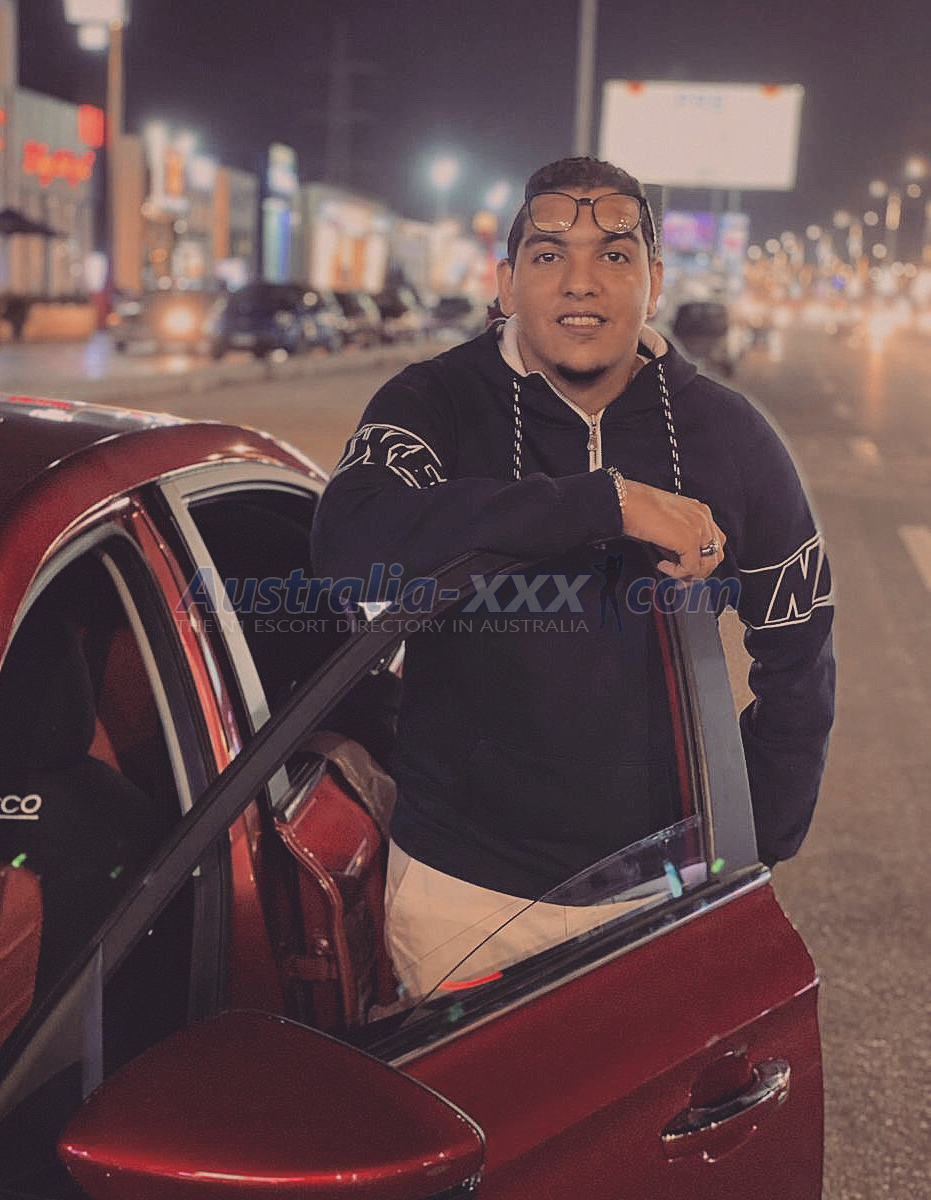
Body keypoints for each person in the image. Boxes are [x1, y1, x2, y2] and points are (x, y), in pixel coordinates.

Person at [312, 156, 835, 998]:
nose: (579, 282)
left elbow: (799, 646)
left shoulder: (728, 433)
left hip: (664, 885)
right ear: (506, 282)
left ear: (654, 283)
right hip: (460, 887)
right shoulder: (434, 404)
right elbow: (349, 544)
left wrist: (760, 832)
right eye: (549, 254)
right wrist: (608, 503)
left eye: (614, 256)